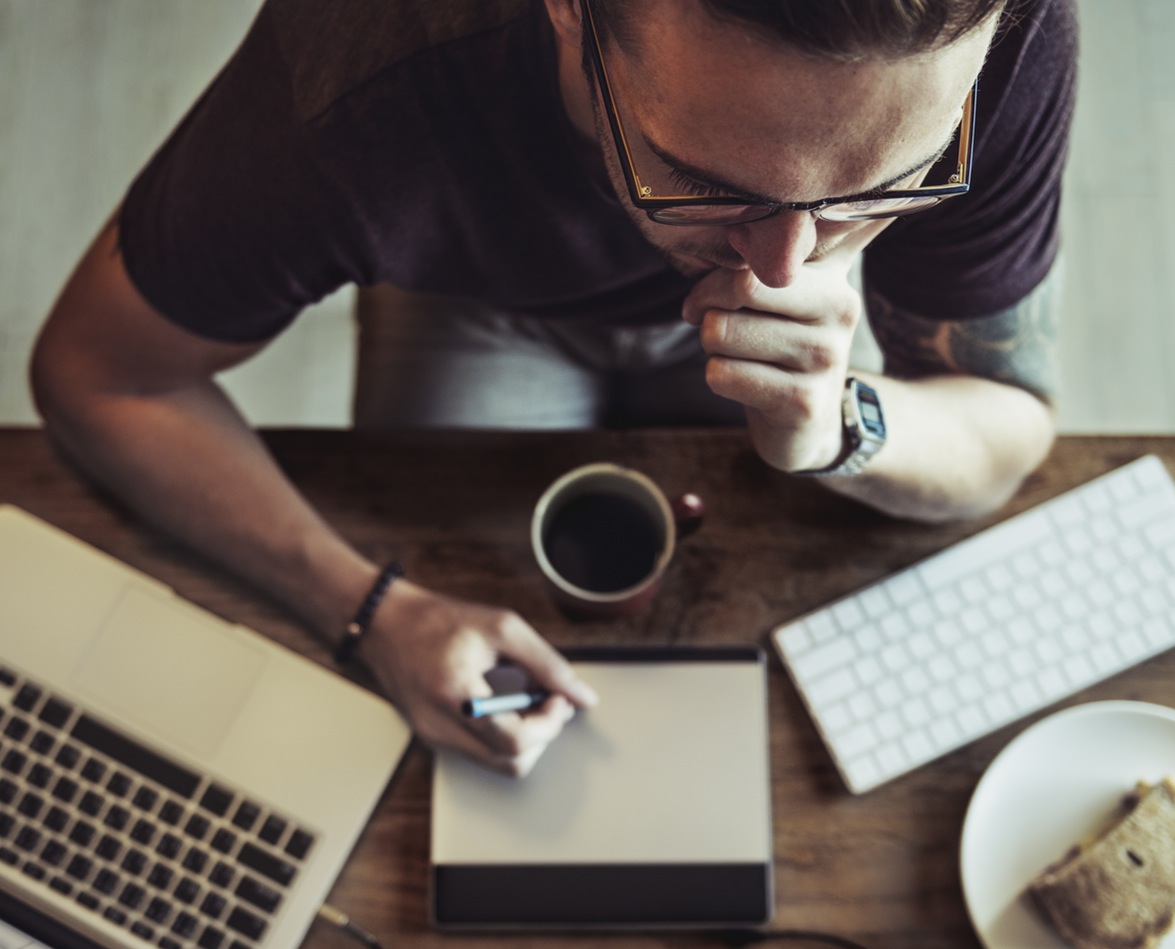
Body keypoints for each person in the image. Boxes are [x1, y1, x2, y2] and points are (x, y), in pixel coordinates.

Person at [29, 0, 1077, 777]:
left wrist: (843, 419)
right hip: (480, 302)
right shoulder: (351, 85)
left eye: (884, 188)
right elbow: (96, 375)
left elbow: (1004, 421)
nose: (779, 271)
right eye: (701, 181)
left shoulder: (1003, 36)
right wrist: (370, 610)